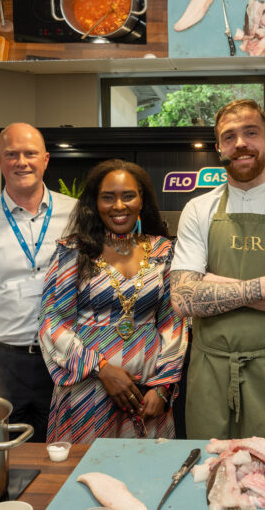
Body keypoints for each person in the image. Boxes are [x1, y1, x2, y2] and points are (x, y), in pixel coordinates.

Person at [170, 99, 265, 441]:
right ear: (219, 148)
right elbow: (183, 299)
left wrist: (211, 285)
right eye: (229, 137)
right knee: (208, 475)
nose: (240, 143)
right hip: (210, 369)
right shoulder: (198, 209)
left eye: (251, 133)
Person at [39, 159, 187, 444]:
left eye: (128, 195)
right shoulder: (73, 250)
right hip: (87, 389)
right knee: (84, 475)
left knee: (145, 478)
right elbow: (52, 321)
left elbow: (174, 320)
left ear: (142, 199)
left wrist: (163, 386)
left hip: (147, 391)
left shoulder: (163, 250)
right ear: (95, 203)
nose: (119, 206)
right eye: (108, 197)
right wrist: (102, 369)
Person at [0, 123, 77, 443]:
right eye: (12, 154)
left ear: (45, 159)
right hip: (1, 366)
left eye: (30, 153)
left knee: (63, 457)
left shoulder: (77, 215)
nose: (22, 162)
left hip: (64, 360)